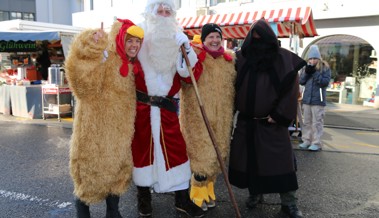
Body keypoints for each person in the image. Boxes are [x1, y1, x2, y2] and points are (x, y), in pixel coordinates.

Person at [65, 19, 144, 218]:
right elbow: (81, 83)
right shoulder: (107, 58)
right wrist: (93, 48)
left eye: (138, 41)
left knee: (117, 171)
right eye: (130, 41)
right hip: (95, 130)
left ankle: (113, 211)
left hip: (120, 132)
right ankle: (82, 211)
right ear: (120, 40)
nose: (134, 45)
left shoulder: (132, 64)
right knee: (90, 173)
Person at [228, 18, 306, 218]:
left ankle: (289, 203)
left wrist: (279, 115)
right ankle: (256, 194)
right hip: (247, 123)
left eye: (261, 38)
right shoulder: (241, 58)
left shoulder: (282, 59)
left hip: (271, 124)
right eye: (253, 38)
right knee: (249, 162)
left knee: (282, 163)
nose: (257, 42)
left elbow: (291, 89)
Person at [132, 0, 204, 217]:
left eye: (167, 11)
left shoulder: (179, 38)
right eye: (159, 11)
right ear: (150, 14)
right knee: (142, 152)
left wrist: (188, 50)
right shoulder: (139, 37)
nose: (163, 15)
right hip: (143, 108)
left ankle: (182, 200)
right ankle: (143, 198)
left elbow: (193, 76)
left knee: (176, 150)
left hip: (168, 109)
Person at [179, 23, 236, 211]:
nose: (215, 40)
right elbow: (184, 78)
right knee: (201, 156)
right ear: (203, 39)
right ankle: (196, 194)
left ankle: (209, 191)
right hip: (198, 117)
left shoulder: (228, 60)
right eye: (210, 37)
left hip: (222, 118)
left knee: (217, 155)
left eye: (217, 37)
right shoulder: (194, 57)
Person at [298, 45, 331, 151]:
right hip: (307, 99)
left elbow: (324, 82)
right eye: (311, 58)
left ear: (318, 58)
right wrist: (307, 72)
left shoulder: (324, 68)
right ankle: (306, 140)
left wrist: (314, 73)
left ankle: (316, 143)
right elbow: (301, 81)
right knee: (306, 121)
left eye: (314, 58)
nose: (312, 60)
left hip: (318, 100)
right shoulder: (306, 67)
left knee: (317, 122)